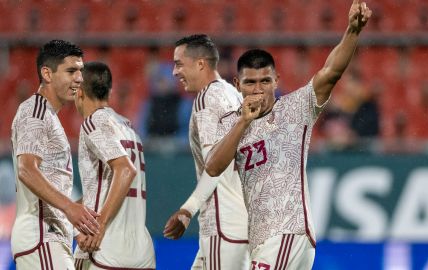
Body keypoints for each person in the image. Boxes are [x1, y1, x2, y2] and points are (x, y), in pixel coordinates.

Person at [205, 1, 371, 268]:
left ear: (276, 81)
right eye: (249, 82)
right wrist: (243, 123)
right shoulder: (229, 124)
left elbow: (331, 72)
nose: (258, 89)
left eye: (265, 81)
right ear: (236, 84)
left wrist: (352, 31)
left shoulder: (295, 108)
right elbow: (213, 167)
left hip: (287, 233)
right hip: (259, 240)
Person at [10, 39, 100, 269]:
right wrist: (70, 209)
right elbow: (27, 169)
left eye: (80, 71)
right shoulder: (35, 111)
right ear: (47, 73)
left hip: (49, 238)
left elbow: (49, 183)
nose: (79, 78)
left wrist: (71, 228)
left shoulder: (49, 116)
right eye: (71, 71)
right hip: (40, 236)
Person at [163, 34, 250, 269]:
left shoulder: (207, 99)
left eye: (179, 63)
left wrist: (187, 210)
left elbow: (215, 165)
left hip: (224, 222)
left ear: (200, 63)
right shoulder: (232, 93)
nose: (174, 72)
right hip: (239, 222)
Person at [72, 62, 156, 269]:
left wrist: (98, 227)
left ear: (80, 92)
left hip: (103, 249)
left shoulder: (92, 123)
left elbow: (125, 170)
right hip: (141, 253)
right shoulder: (128, 127)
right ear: (110, 91)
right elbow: (106, 187)